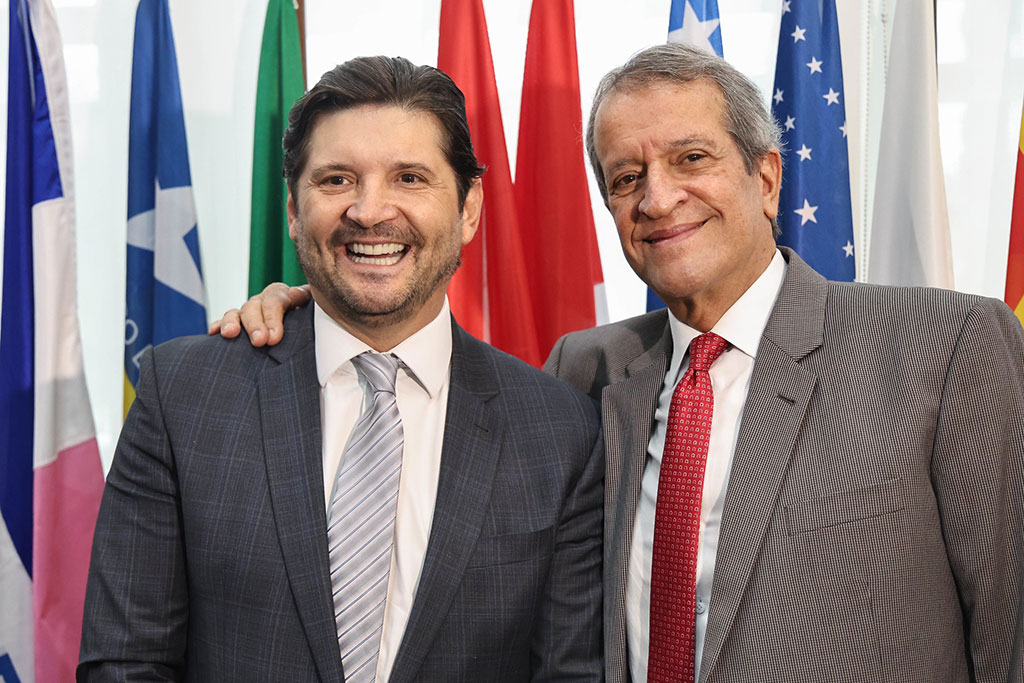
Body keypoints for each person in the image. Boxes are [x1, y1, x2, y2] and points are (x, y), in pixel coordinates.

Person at [220, 44, 1024, 682]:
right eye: (626, 177)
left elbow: (1011, 632)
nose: (658, 198)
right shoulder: (586, 370)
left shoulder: (946, 347)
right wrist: (319, 312)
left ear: (767, 176)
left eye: (692, 159)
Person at [79, 56, 603, 683]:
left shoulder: (560, 431)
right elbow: (126, 664)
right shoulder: (183, 395)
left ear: (468, 209)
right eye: (336, 180)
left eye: (410, 178)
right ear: (295, 211)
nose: (370, 211)